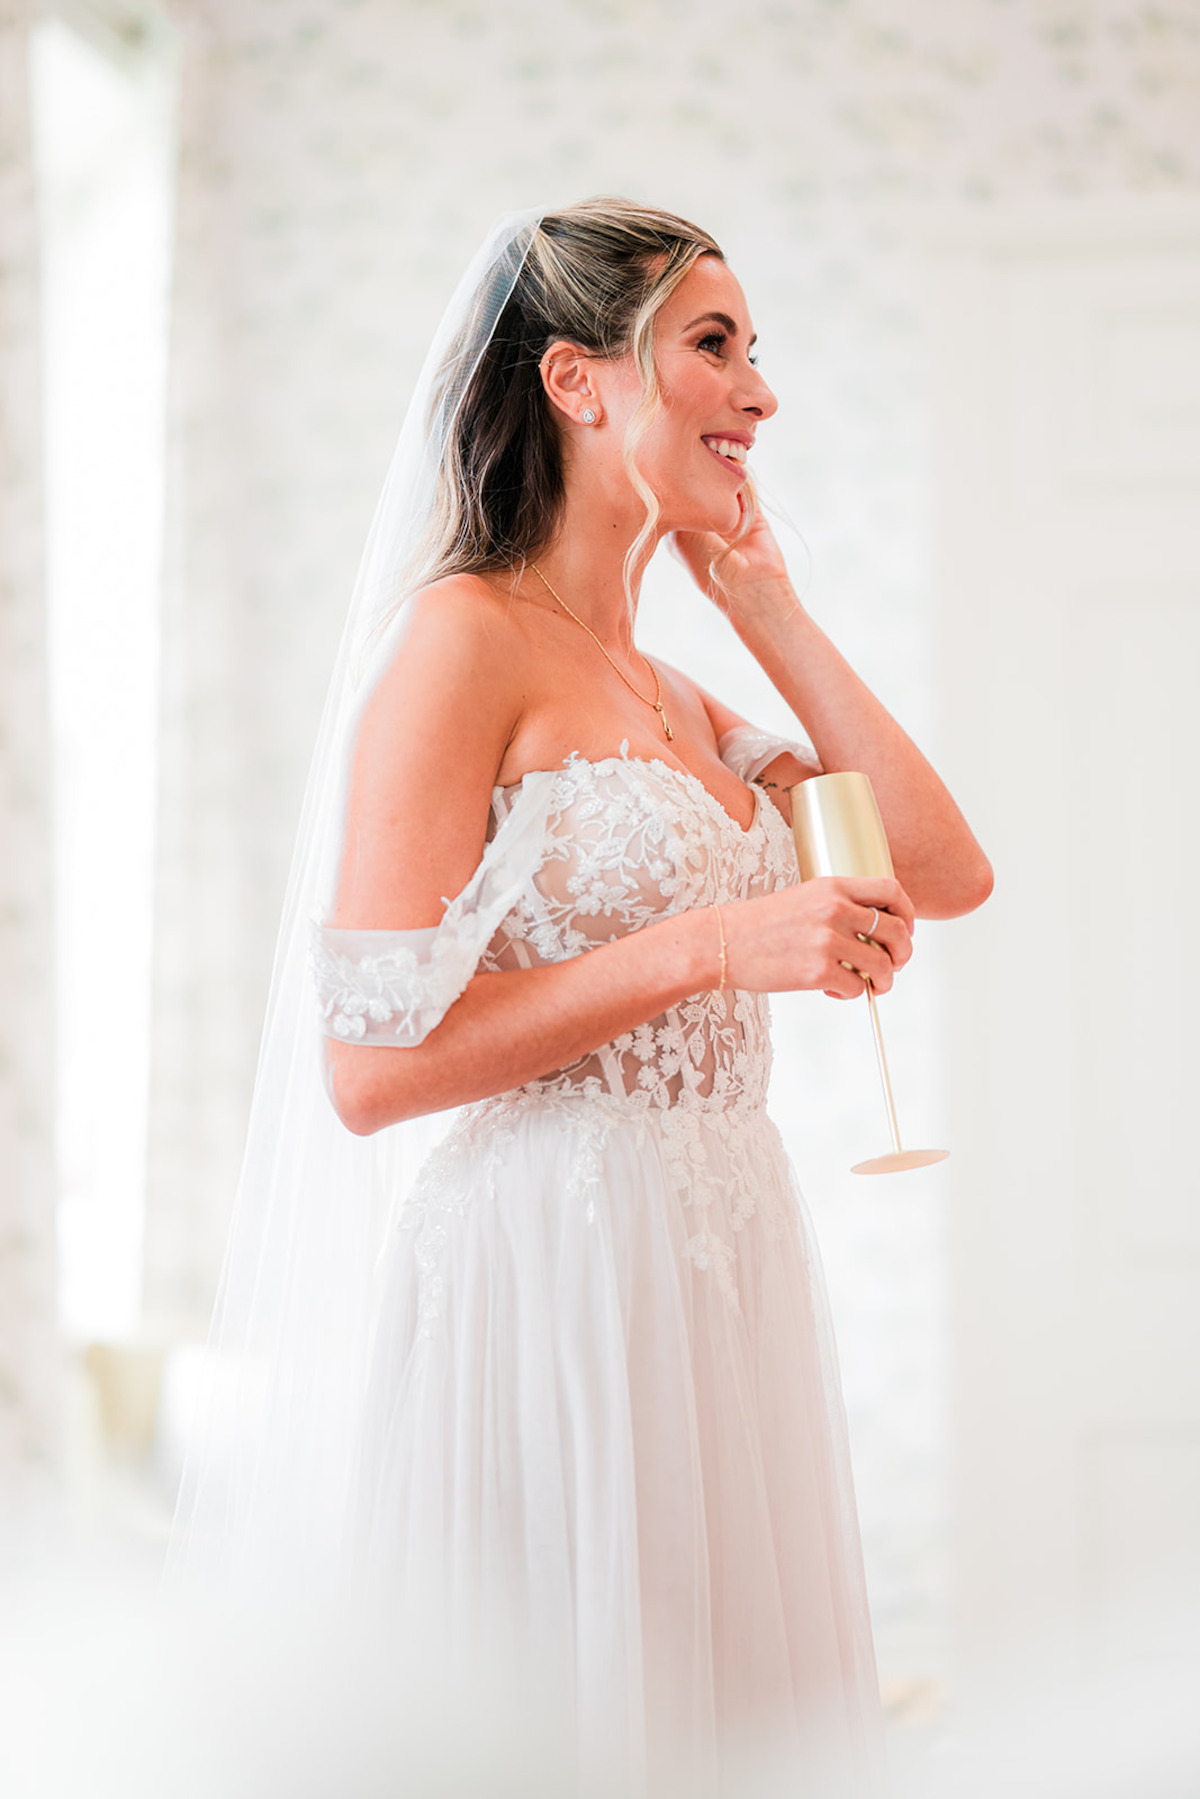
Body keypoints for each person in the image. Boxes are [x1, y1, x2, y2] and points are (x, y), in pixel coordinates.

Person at [170, 199, 991, 1795]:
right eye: (715, 345)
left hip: (722, 1255)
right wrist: (708, 948)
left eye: (761, 354)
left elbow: (945, 867)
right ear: (575, 379)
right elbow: (367, 1073)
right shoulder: (461, 643)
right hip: (549, 1268)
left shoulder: (676, 690)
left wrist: (766, 608)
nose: (760, 392)